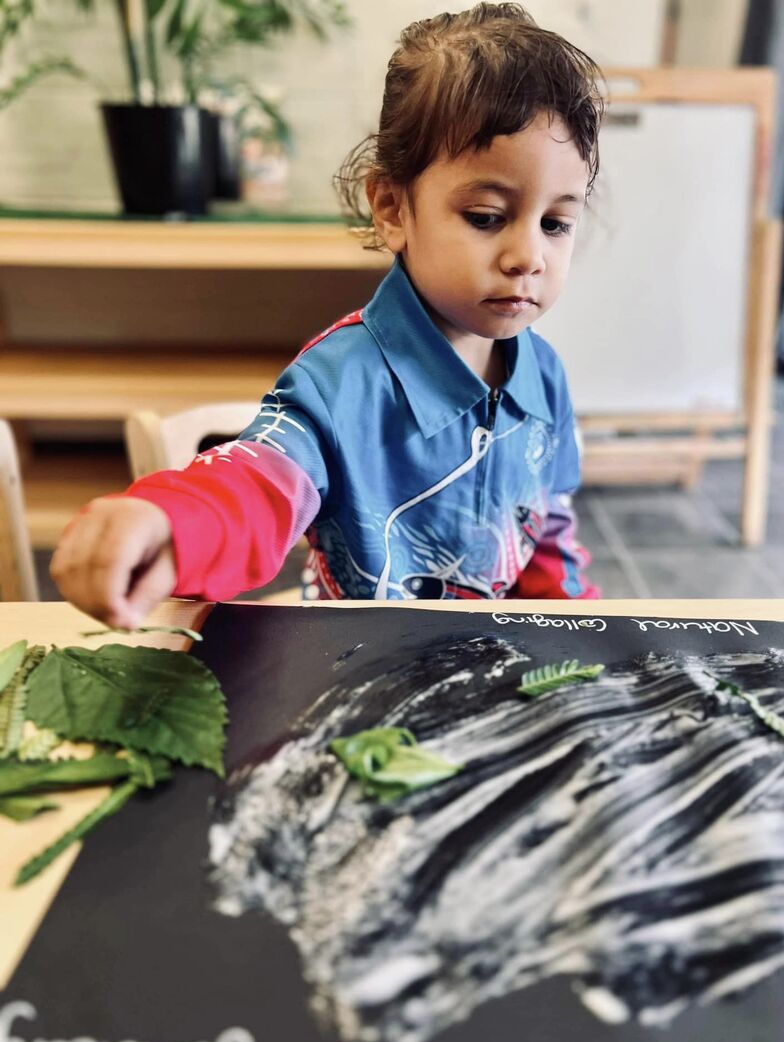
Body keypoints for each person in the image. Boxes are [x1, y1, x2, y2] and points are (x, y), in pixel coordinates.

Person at [52, 2, 605, 627]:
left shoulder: (543, 376)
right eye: (486, 217)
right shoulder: (340, 380)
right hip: (359, 660)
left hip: (489, 662)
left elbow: (545, 535)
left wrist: (583, 634)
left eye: (555, 223)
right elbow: (257, 486)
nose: (528, 256)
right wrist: (171, 522)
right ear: (392, 209)